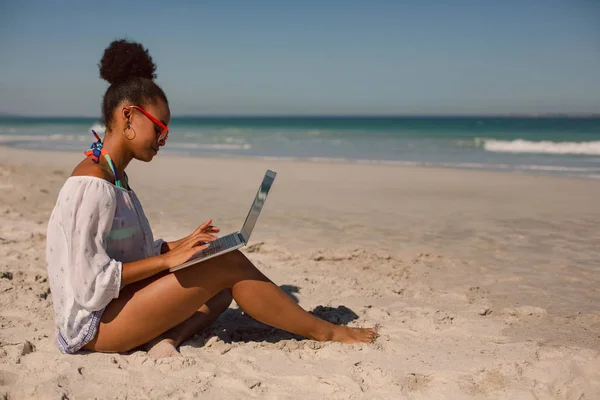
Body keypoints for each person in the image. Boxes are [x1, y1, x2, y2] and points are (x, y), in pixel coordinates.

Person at [45, 39, 377, 357]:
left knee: (216, 279)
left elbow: (124, 251)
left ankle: (168, 338)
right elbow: (88, 282)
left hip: (115, 309)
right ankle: (325, 331)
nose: (163, 139)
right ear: (129, 117)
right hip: (93, 328)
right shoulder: (92, 185)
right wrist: (165, 261)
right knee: (227, 265)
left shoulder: (115, 176)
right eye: (160, 128)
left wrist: (177, 246)